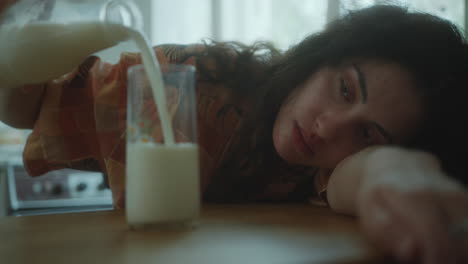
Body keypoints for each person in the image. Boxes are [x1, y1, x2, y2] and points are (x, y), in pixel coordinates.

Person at [1, 4, 468, 264]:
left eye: (369, 134)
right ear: (318, 59)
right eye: (344, 88)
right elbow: (35, 105)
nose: (328, 127)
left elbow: (351, 179)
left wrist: (383, 169)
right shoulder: (187, 82)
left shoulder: (320, 173)